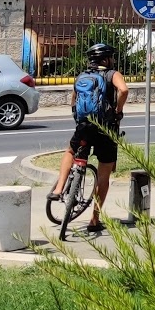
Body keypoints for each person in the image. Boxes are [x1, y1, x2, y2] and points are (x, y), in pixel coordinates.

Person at [52, 42, 129, 234]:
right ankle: (94, 219)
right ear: (107, 58)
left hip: (84, 126)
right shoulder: (113, 74)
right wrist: (117, 111)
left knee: (71, 150)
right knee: (104, 174)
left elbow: (74, 99)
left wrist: (77, 117)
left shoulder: (83, 76)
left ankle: (58, 188)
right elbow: (124, 90)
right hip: (106, 128)